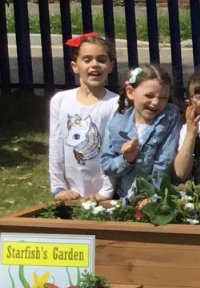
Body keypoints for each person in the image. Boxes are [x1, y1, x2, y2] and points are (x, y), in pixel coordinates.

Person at [49, 33, 120, 200]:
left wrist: (106, 192)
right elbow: (56, 145)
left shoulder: (116, 104)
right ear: (75, 66)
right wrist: (58, 187)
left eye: (101, 60)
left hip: (106, 193)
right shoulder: (60, 100)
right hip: (70, 192)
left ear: (111, 66)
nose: (95, 65)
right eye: (87, 60)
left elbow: (116, 151)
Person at [101, 64, 182, 199]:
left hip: (158, 199)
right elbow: (106, 166)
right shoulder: (116, 125)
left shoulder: (169, 117)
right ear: (130, 92)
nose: (155, 102)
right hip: (126, 198)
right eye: (149, 95)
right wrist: (126, 159)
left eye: (163, 98)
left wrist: (153, 197)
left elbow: (164, 161)